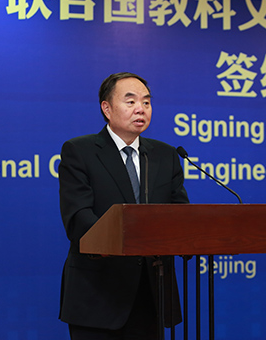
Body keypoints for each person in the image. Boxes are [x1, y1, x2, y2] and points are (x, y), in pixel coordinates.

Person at [58, 72, 189, 339]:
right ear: (107, 109)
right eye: (130, 102)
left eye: (146, 102)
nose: (140, 109)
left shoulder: (166, 155)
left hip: (152, 293)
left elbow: (180, 215)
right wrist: (127, 241)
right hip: (98, 293)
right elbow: (78, 217)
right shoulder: (80, 151)